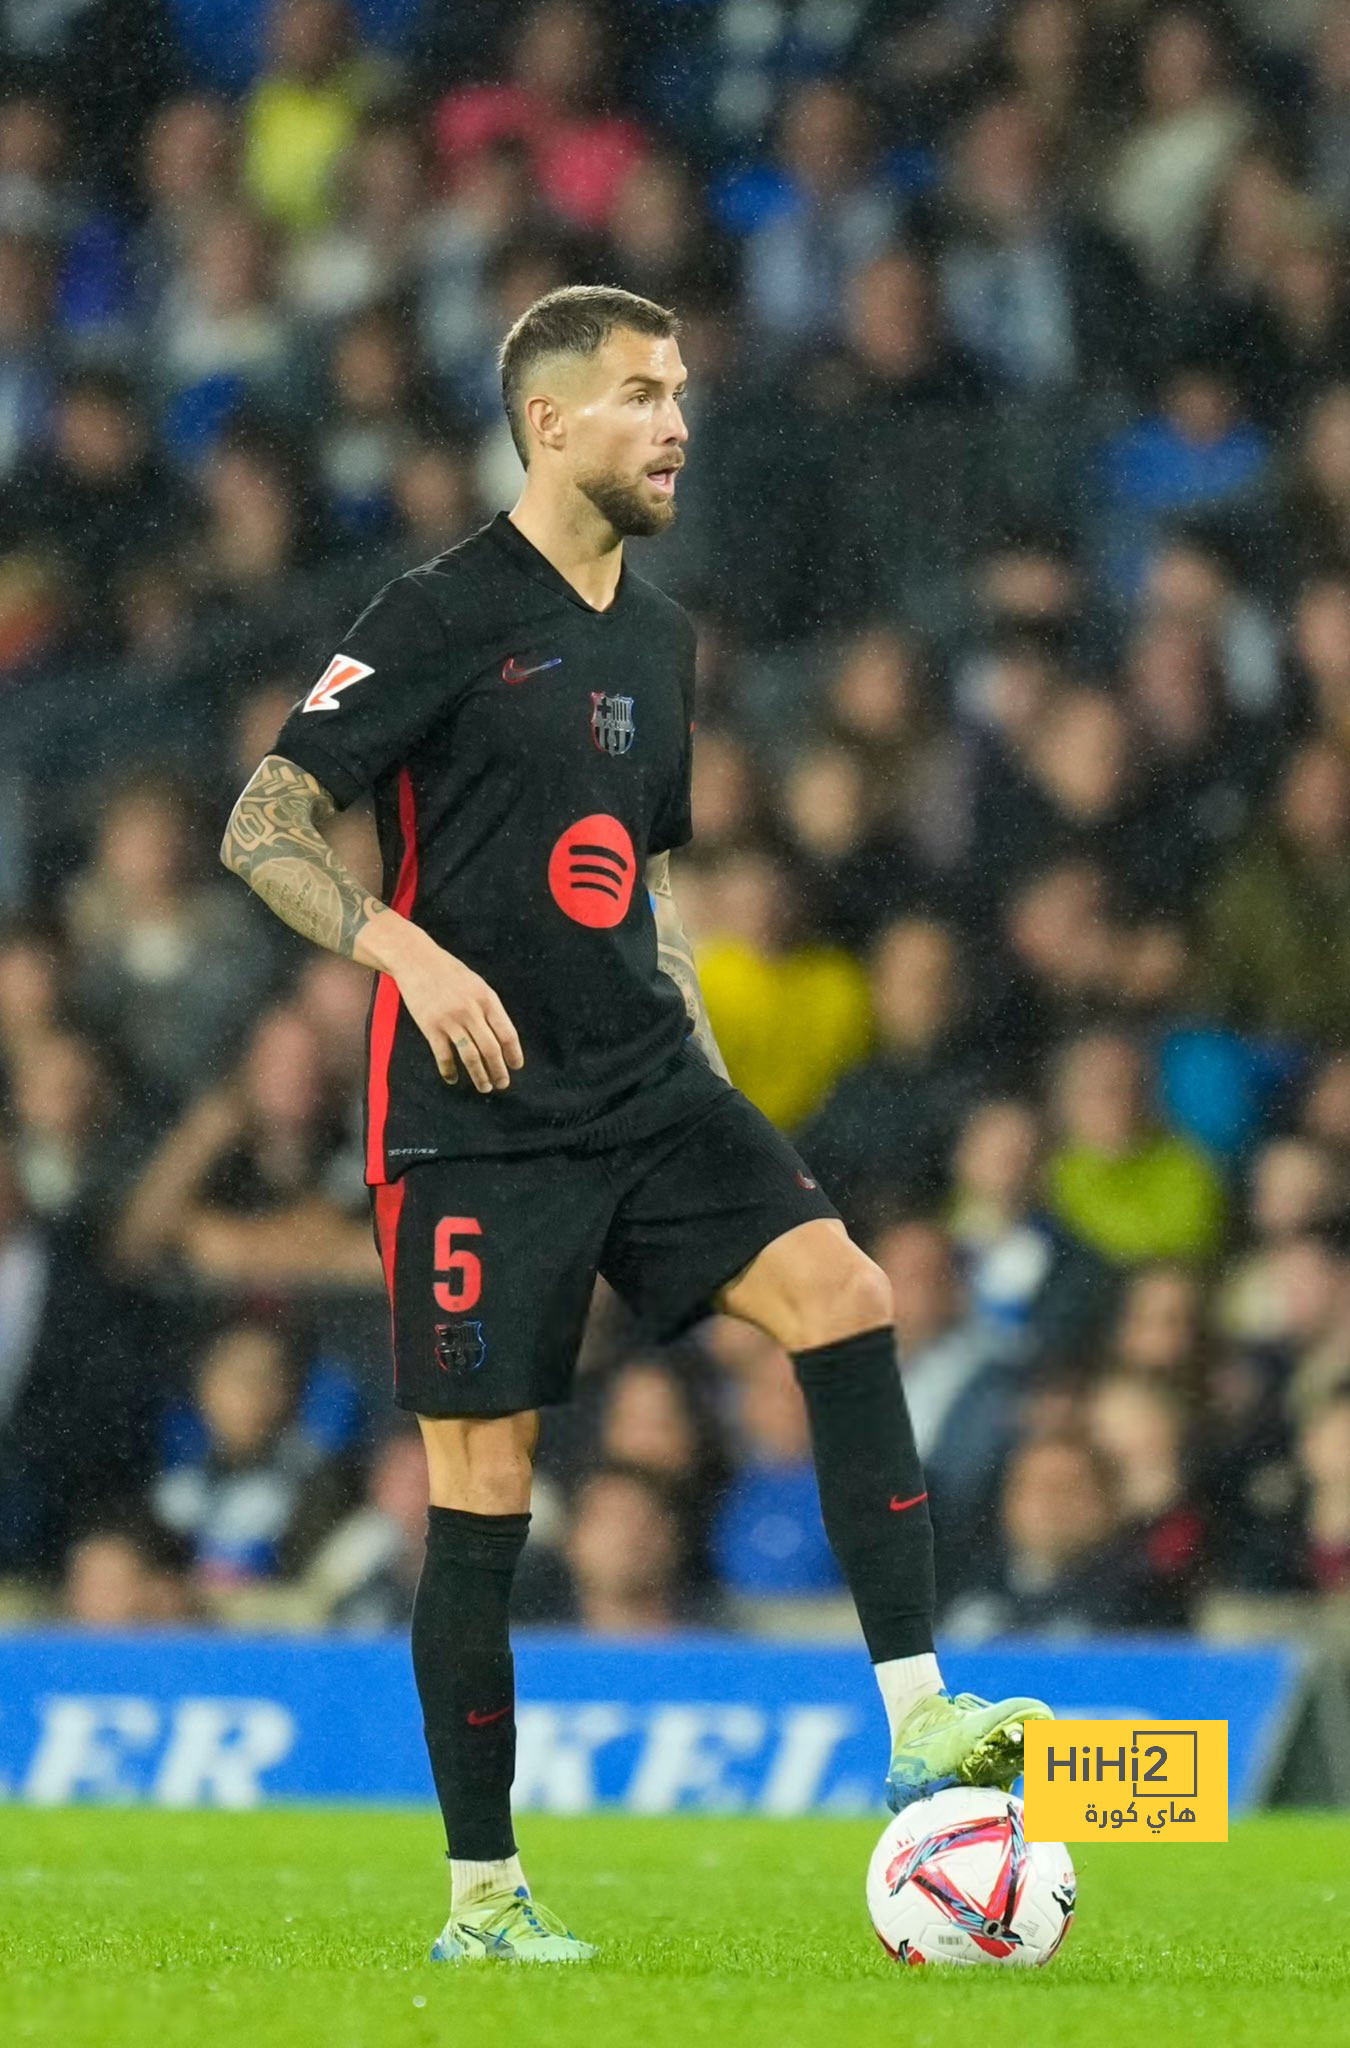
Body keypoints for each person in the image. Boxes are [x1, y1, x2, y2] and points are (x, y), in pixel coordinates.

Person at [220, 283, 1051, 1965]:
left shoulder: (657, 640)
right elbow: (262, 820)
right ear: (550, 424)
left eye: (680, 391)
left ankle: (914, 1718)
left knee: (849, 1295)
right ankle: (484, 1901)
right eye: (640, 396)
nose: (676, 422)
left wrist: (705, 1065)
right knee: (482, 1490)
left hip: (648, 1087)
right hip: (473, 1119)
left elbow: (640, 877)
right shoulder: (441, 608)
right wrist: (402, 948)